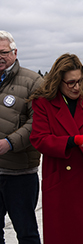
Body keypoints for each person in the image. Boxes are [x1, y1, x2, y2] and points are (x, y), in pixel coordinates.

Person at [29, 53, 83, 244]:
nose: (77, 87)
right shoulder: (44, 104)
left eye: (80, 81)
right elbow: (39, 139)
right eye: (70, 83)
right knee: (65, 235)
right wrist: (72, 141)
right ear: (58, 81)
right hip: (62, 183)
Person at [0, 30, 42, 244]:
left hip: (20, 172)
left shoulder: (33, 81)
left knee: (26, 232)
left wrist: (9, 143)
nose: (0, 57)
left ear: (15, 52)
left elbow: (38, 122)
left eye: (4, 52)